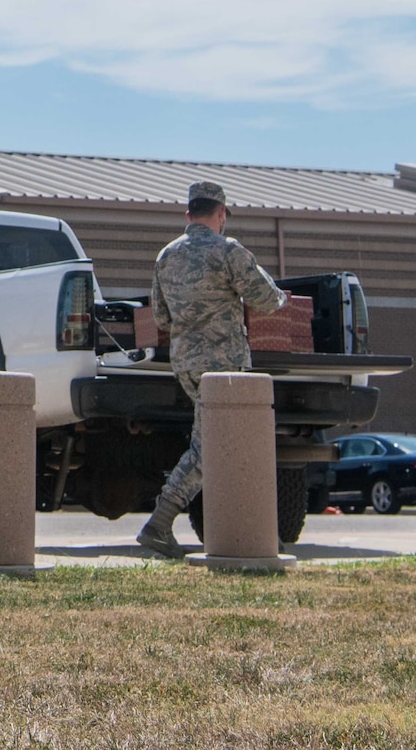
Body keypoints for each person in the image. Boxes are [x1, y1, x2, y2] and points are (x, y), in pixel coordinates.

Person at [135, 181, 286, 559]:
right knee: (212, 447)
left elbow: (162, 318)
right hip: (225, 369)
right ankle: (160, 521)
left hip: (186, 364)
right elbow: (269, 300)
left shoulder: (165, 256)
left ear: (188, 215)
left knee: (228, 445)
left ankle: (250, 530)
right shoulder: (228, 250)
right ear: (221, 214)